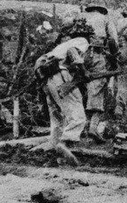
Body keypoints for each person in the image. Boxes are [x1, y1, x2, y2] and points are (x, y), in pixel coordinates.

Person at [32, 23, 94, 153]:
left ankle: (54, 142)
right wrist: (84, 71)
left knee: (56, 113)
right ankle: (66, 143)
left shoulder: (61, 46)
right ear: (86, 35)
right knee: (77, 113)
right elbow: (73, 52)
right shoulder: (81, 41)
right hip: (60, 76)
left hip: (48, 79)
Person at [74, 0, 119, 141]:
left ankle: (79, 127)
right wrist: (114, 56)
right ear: (101, 9)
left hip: (76, 54)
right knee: (97, 90)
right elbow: (113, 40)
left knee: (77, 89)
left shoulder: (79, 16)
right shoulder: (105, 19)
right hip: (95, 54)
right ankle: (93, 128)